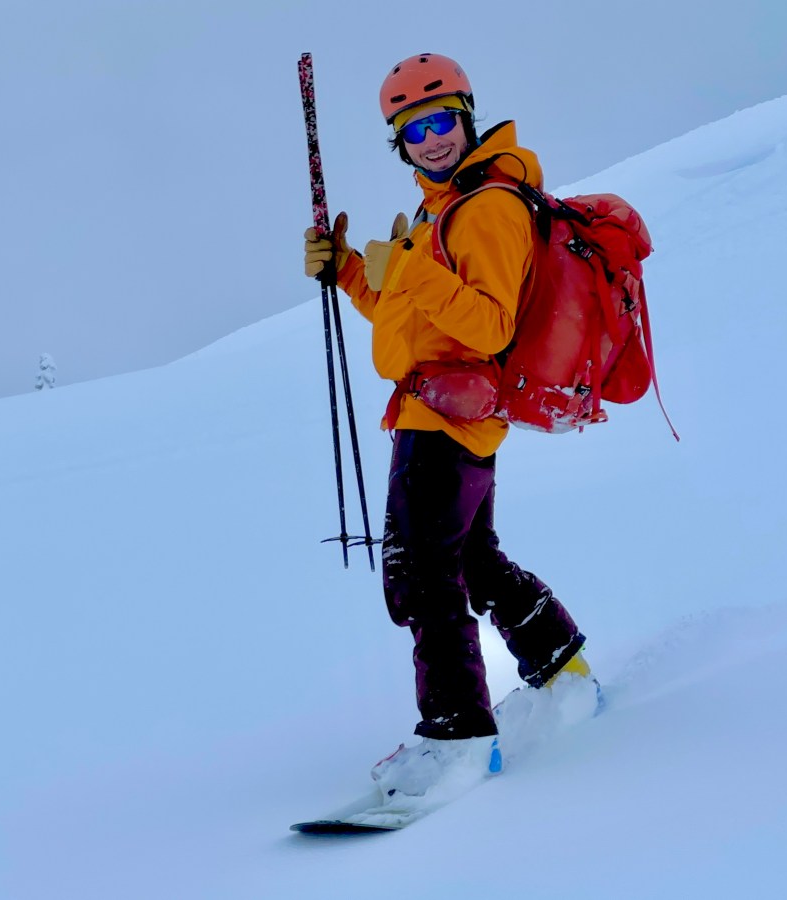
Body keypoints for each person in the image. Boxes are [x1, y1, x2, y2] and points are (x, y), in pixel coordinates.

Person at [303, 53, 599, 799]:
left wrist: (411, 269)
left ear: (468, 117)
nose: (432, 139)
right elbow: (419, 326)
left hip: (446, 420)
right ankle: (562, 665)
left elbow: (489, 324)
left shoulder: (488, 207)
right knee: (471, 560)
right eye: (414, 130)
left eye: (442, 122)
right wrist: (351, 273)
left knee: (421, 574)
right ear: (399, 143)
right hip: (441, 407)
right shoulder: (447, 205)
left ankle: (458, 736)